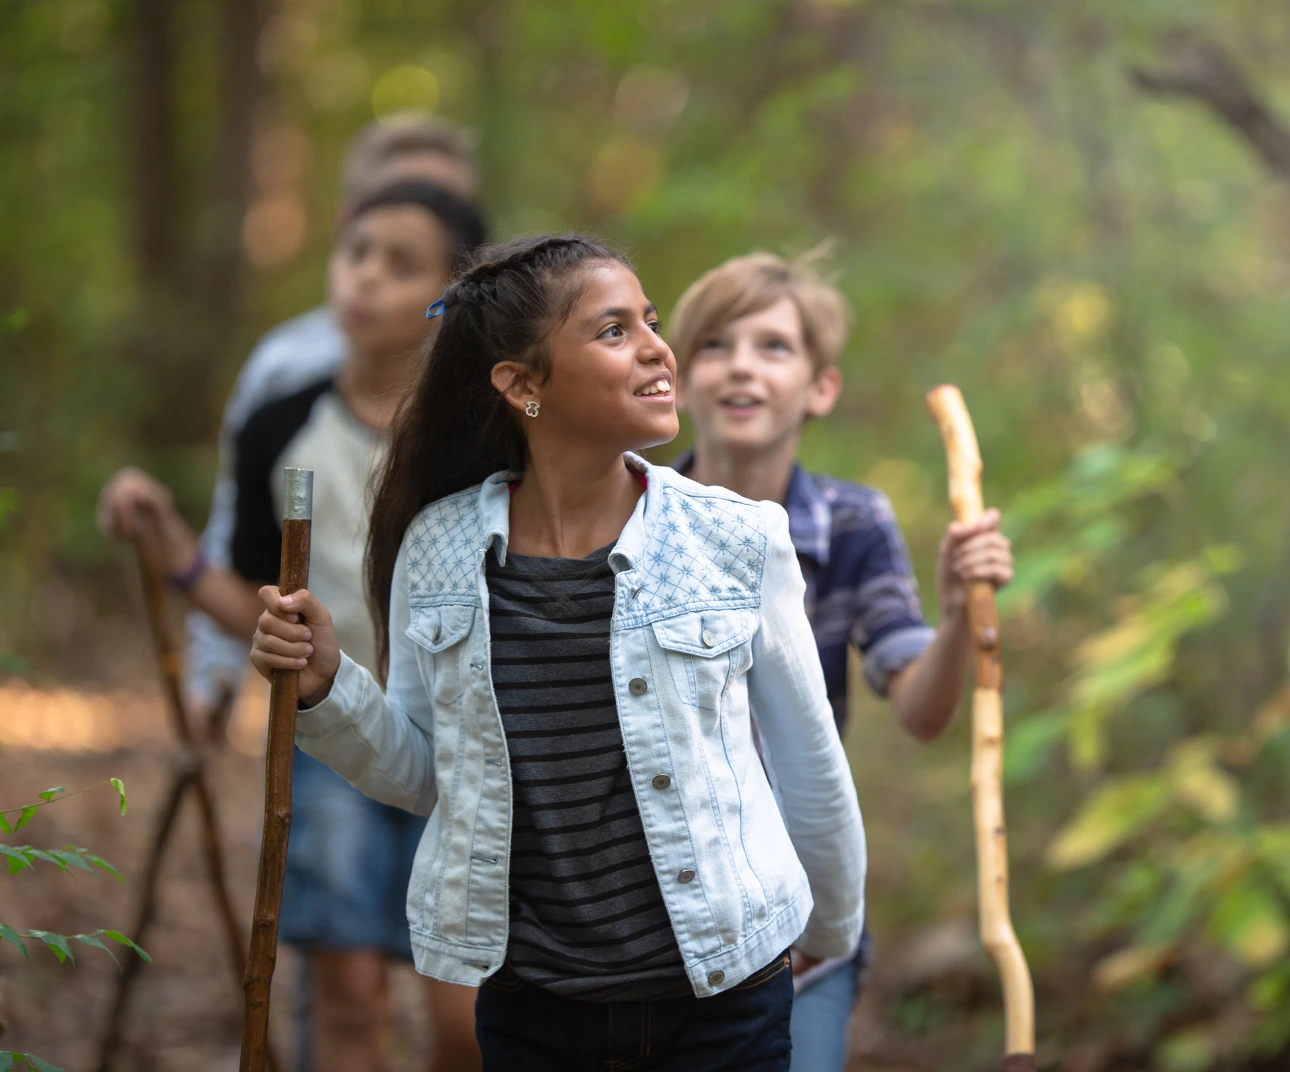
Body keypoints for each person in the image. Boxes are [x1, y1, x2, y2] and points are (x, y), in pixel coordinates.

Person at [244, 234, 867, 1071]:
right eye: (614, 331)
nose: (657, 347)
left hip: (725, 996)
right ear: (523, 383)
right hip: (535, 1007)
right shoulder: (441, 548)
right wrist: (327, 686)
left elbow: (808, 757)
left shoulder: (736, 538)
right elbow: (427, 772)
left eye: (650, 321)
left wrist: (829, 933)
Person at [99, 182, 488, 1071]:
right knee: (347, 996)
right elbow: (252, 599)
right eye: (356, 253)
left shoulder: (481, 437)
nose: (365, 278)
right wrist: (168, 543)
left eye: (401, 264)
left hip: (468, 743)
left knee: (464, 1019)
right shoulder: (281, 423)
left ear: (450, 295)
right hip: (327, 742)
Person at [666, 249, 1015, 1071]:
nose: (742, 366)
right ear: (677, 382)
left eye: (774, 347)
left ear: (820, 388)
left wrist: (962, 612)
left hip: (802, 917)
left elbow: (923, 711)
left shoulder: (854, 524)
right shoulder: (632, 515)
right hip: (659, 918)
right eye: (715, 345)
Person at [184, 114, 481, 706]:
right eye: (362, 248)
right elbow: (238, 544)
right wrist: (211, 680)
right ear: (347, 222)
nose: (369, 275)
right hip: (330, 712)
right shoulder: (282, 379)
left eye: (438, 203)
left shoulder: (491, 413)